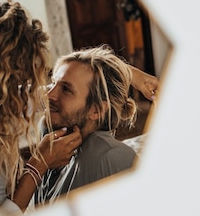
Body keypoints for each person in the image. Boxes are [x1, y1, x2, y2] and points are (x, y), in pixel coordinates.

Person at [0, 0, 158, 216]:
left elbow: (51, 89)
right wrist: (37, 166)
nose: (45, 93)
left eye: (62, 87)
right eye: (20, 77)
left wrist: (129, 73)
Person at [30, 45, 140, 207]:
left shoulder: (113, 158)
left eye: (66, 89)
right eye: (53, 83)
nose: (48, 94)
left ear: (96, 110)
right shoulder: (48, 131)